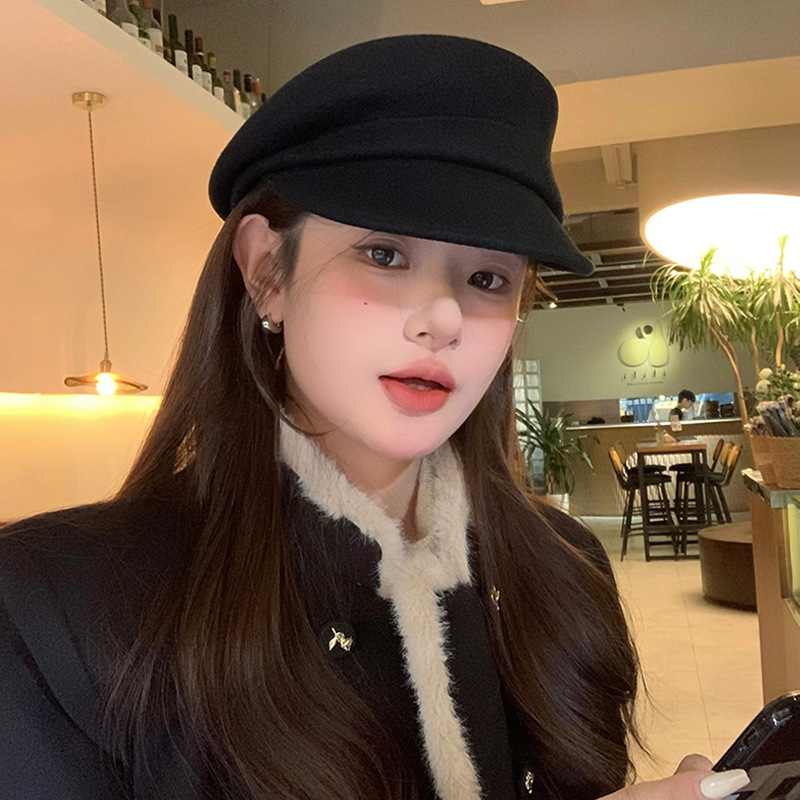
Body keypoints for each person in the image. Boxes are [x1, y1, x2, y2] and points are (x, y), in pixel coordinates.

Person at [0, 35, 748, 800]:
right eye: (385, 254)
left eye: (488, 278)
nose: (444, 318)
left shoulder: (565, 569)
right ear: (266, 272)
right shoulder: (54, 608)